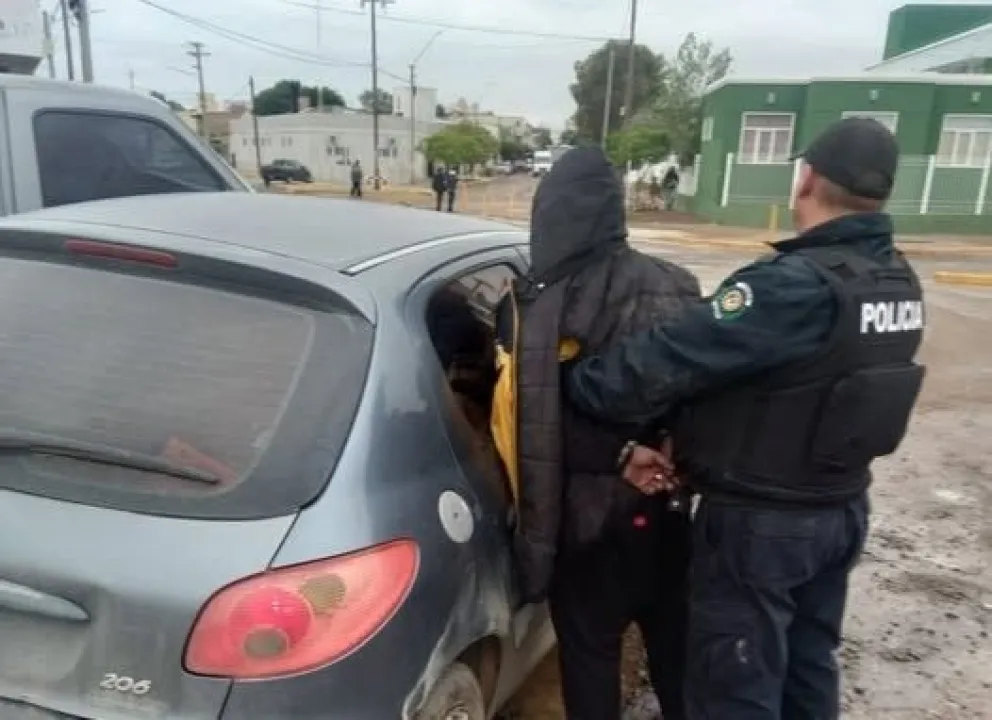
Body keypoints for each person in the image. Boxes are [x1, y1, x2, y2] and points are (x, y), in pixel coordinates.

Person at [564, 117, 926, 720]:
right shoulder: (894, 278)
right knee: (807, 667)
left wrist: (580, 386)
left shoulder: (791, 286)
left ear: (807, 180)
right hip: (838, 509)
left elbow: (672, 356)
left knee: (734, 687)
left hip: (764, 525)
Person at [490, 146, 702, 720]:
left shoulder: (530, 309)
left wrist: (617, 455)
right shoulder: (680, 285)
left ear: (550, 213)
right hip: (667, 509)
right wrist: (675, 454)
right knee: (678, 653)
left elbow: (533, 427)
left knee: (589, 659)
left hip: (584, 526)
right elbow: (707, 392)